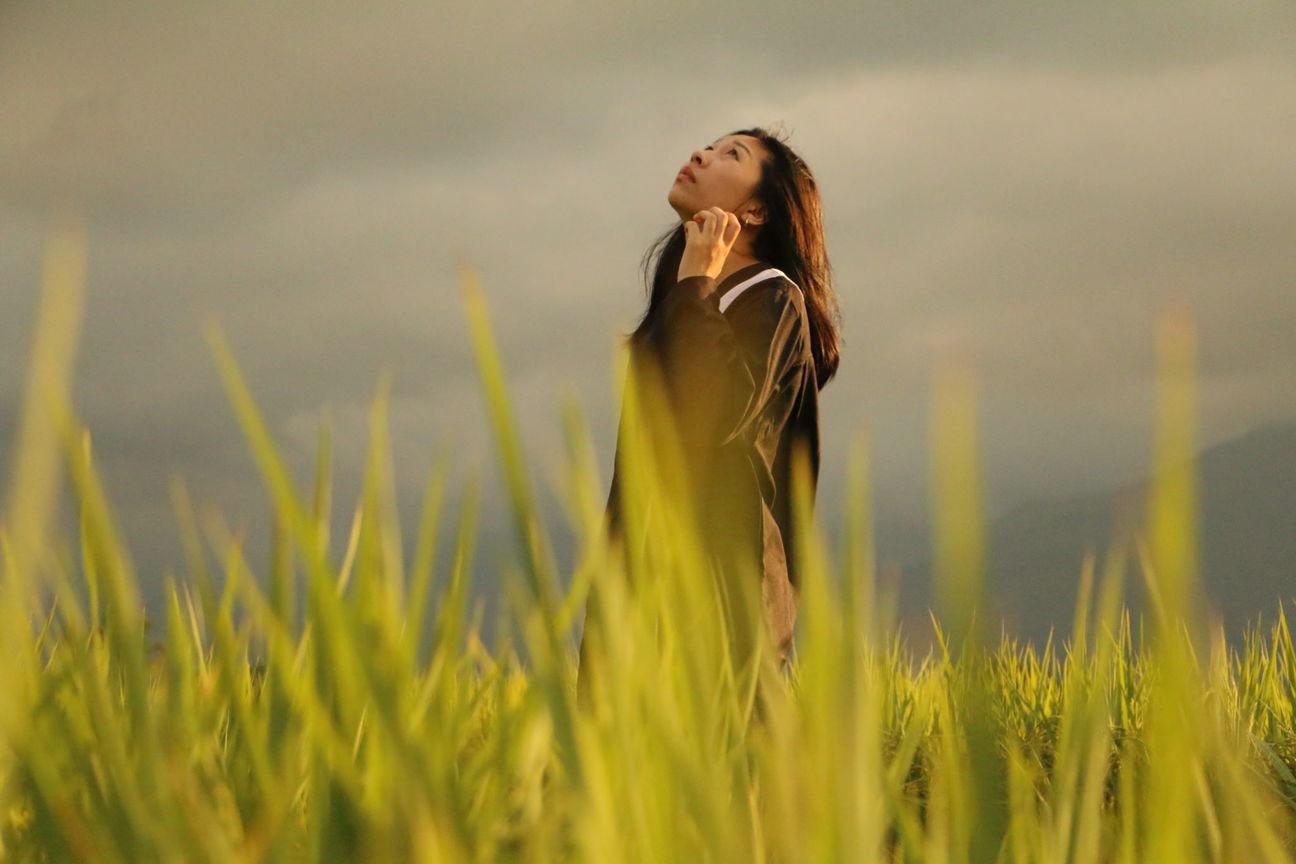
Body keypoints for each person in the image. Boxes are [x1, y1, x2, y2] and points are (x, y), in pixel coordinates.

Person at [576, 125, 842, 711]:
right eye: (710, 145)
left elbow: (716, 416)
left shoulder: (773, 297)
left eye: (732, 154)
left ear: (756, 210)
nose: (700, 153)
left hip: (719, 601)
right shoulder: (681, 303)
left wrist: (697, 281)